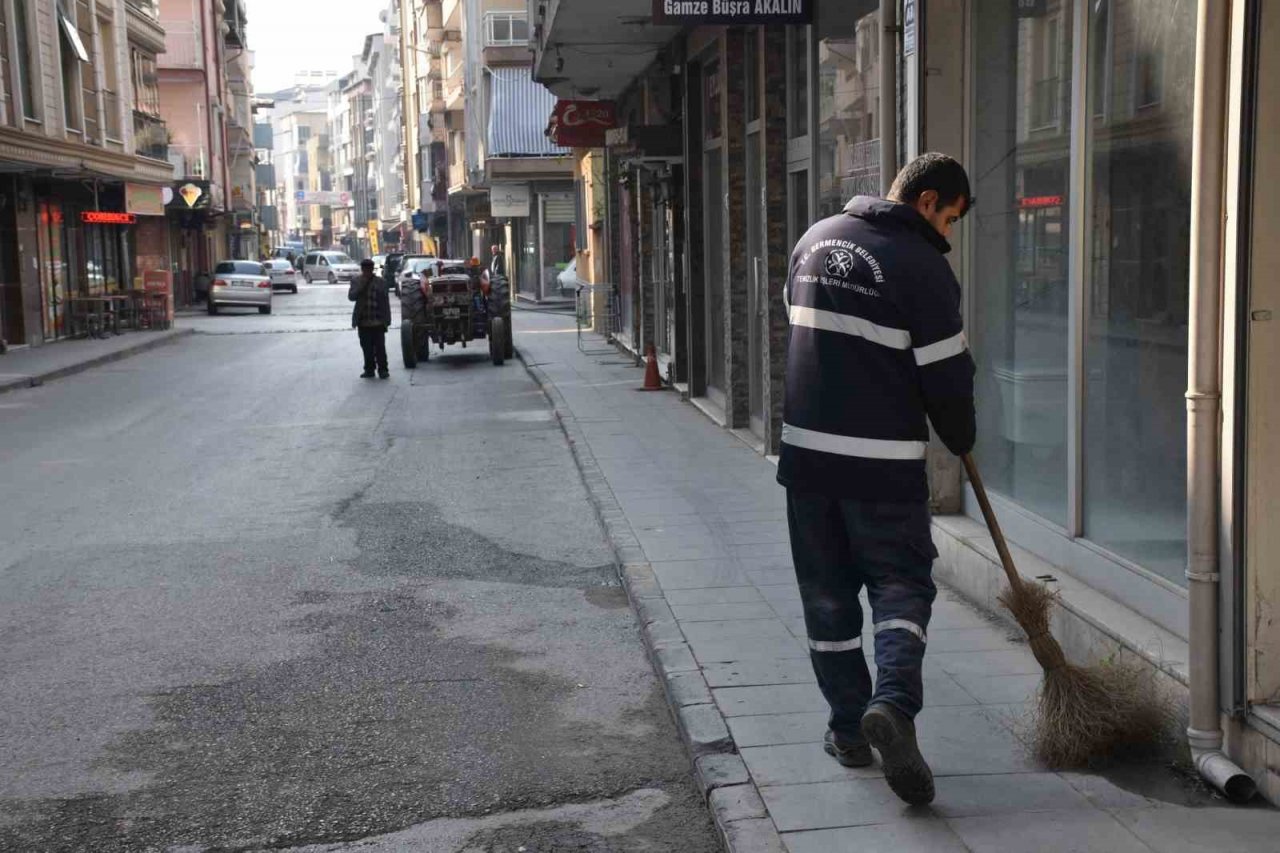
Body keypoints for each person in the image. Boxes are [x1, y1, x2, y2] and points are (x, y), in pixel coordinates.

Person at [778, 153, 976, 806]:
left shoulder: (813, 240)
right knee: (900, 586)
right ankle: (891, 703)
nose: (949, 233)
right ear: (928, 202)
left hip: (807, 462)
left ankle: (847, 729)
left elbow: (804, 331)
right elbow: (947, 377)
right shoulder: (923, 266)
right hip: (882, 466)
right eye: (951, 218)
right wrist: (961, 435)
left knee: (827, 598)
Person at [349, 258, 391, 379]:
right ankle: (369, 369)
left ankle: (383, 370)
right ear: (362, 269)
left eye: (369, 269)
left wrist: (387, 319)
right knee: (366, 348)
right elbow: (351, 297)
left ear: (372, 269)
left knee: (380, 348)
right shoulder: (356, 281)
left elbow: (385, 301)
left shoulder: (381, 282)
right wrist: (361, 287)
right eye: (365, 269)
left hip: (378, 321)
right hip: (363, 322)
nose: (367, 271)